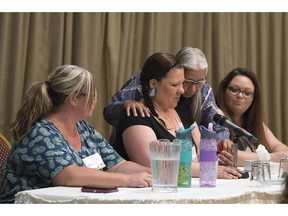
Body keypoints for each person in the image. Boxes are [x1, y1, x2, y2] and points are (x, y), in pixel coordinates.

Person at [0, 65, 151, 203]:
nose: (95, 100)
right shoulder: (40, 133)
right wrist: (128, 180)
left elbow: (117, 165)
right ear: (74, 99)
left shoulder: (84, 128)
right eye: (92, 95)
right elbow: (69, 176)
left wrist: (157, 173)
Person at [112, 52, 241, 179]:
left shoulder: (180, 108)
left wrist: (219, 160)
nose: (182, 90)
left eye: (182, 83)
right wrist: (207, 169)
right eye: (174, 85)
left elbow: (200, 154)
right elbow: (156, 166)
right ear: (153, 84)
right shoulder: (136, 117)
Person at [103, 47, 230, 144]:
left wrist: (222, 141)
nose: (193, 88)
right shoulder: (144, 81)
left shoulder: (204, 89)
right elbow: (109, 112)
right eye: (188, 81)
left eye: (199, 82)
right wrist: (125, 104)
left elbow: (217, 122)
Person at [215, 67, 288, 166]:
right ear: (224, 91)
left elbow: (285, 154)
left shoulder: (254, 121)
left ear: (254, 98)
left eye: (247, 93)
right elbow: (227, 155)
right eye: (234, 90)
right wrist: (268, 157)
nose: (240, 96)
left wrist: (265, 157)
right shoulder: (218, 116)